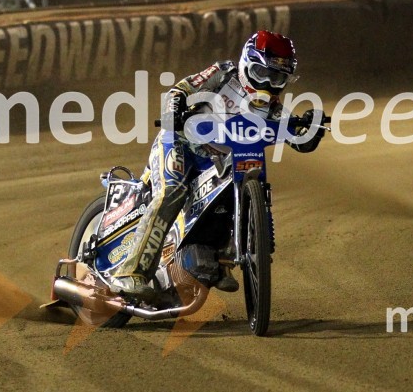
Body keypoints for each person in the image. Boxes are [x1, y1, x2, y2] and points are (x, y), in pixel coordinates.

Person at [107, 32, 326, 297]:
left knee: (231, 189)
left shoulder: (274, 109)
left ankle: (220, 256)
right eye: (261, 72)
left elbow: (298, 140)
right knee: (172, 191)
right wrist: (174, 110)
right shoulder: (223, 73)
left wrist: (310, 128)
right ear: (246, 64)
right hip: (181, 142)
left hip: (217, 162)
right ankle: (130, 272)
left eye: (277, 78)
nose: (267, 84)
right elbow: (180, 89)